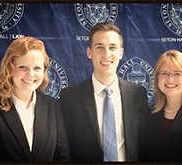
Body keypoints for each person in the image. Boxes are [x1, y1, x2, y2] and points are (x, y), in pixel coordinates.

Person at [59, 22, 148, 162]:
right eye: (99, 47)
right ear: (89, 52)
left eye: (112, 47)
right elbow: (65, 150)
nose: (106, 54)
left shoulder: (138, 94)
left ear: (121, 53)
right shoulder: (69, 97)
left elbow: (143, 145)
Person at [0, 36, 70, 161]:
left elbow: (62, 157)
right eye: (22, 67)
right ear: (9, 68)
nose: (30, 74)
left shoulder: (53, 106)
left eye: (37, 68)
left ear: (44, 71)